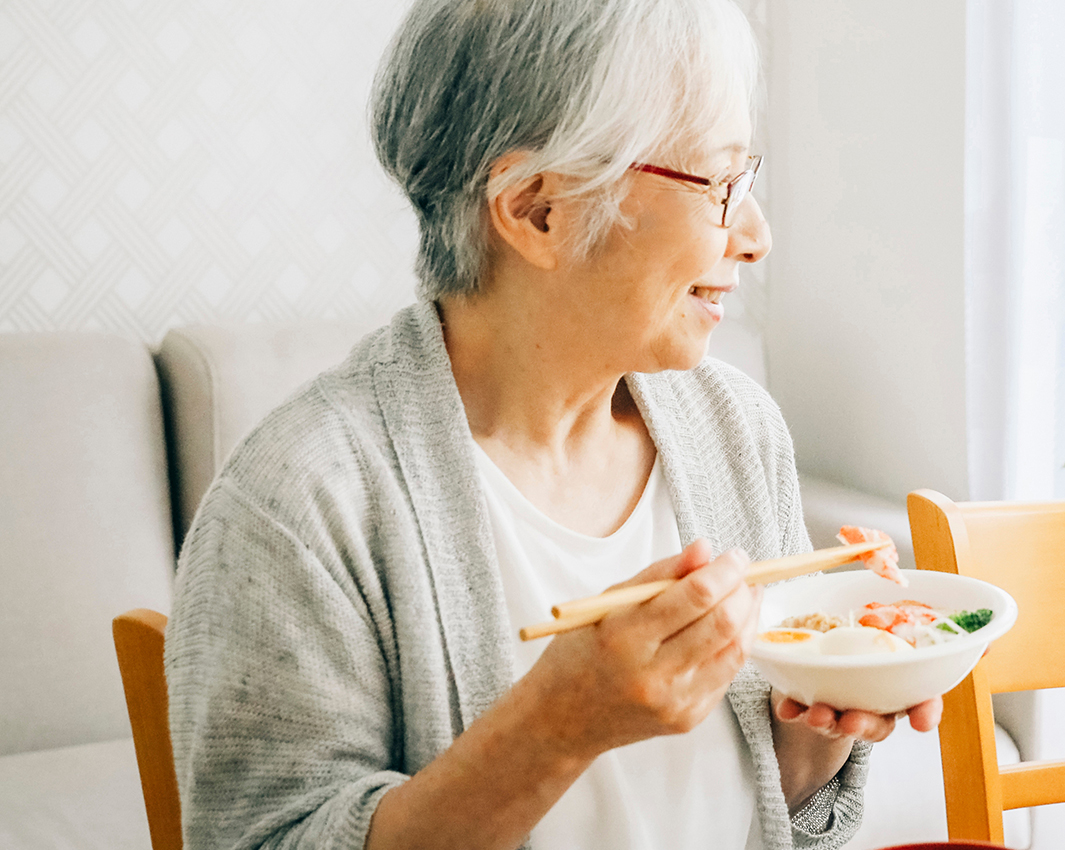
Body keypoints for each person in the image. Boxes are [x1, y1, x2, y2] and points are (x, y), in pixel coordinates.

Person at [163, 1, 937, 848]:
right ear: (538, 209)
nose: (756, 236)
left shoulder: (736, 431)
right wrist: (556, 728)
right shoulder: (303, 503)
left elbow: (773, 813)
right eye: (720, 185)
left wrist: (830, 712)